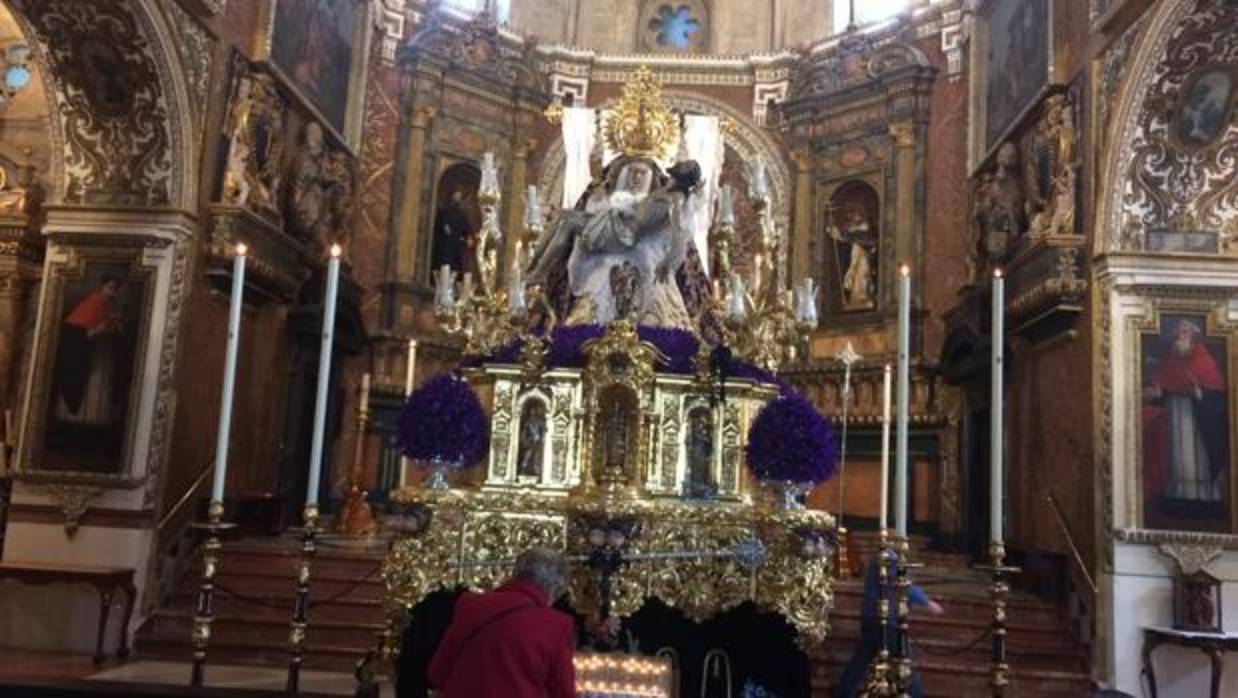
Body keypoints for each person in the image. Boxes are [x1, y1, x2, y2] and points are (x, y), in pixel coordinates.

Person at [428, 547, 576, 698]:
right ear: (553, 589)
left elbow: (437, 673)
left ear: (516, 573)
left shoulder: (470, 605)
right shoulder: (557, 625)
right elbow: (562, 692)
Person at [832, 554, 944, 698]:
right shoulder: (887, 558)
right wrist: (927, 603)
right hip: (885, 619)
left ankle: (843, 692)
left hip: (871, 617)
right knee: (904, 661)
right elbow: (901, 583)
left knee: (861, 661)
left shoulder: (878, 559)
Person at [1144, 319, 1227, 503]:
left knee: (1196, 454)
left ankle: (1204, 497)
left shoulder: (1201, 356)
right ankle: (1178, 496)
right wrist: (1158, 389)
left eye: (1185, 331)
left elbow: (1213, 388)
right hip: (1176, 410)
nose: (1181, 335)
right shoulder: (1173, 357)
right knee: (1178, 454)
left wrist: (1198, 391)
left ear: (1193, 334)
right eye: (1179, 331)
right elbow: (1164, 381)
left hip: (1196, 414)